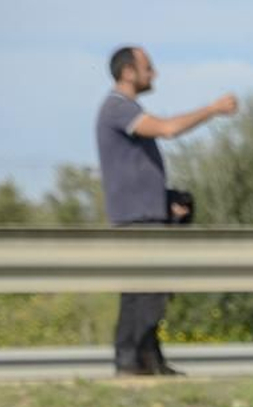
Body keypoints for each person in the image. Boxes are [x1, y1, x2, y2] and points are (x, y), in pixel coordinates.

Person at [95, 46, 236, 376]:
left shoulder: (123, 109)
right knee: (141, 294)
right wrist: (213, 109)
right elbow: (168, 129)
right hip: (136, 219)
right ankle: (130, 364)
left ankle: (148, 361)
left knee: (150, 293)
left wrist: (166, 201)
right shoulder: (117, 108)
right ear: (128, 72)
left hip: (146, 214)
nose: (153, 74)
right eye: (148, 67)